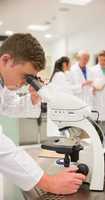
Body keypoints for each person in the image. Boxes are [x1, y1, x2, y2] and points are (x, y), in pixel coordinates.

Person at [0, 33, 85, 194]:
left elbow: (8, 106)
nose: (25, 82)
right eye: (25, 76)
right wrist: (48, 182)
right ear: (5, 60)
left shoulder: (4, 82)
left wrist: (33, 97)